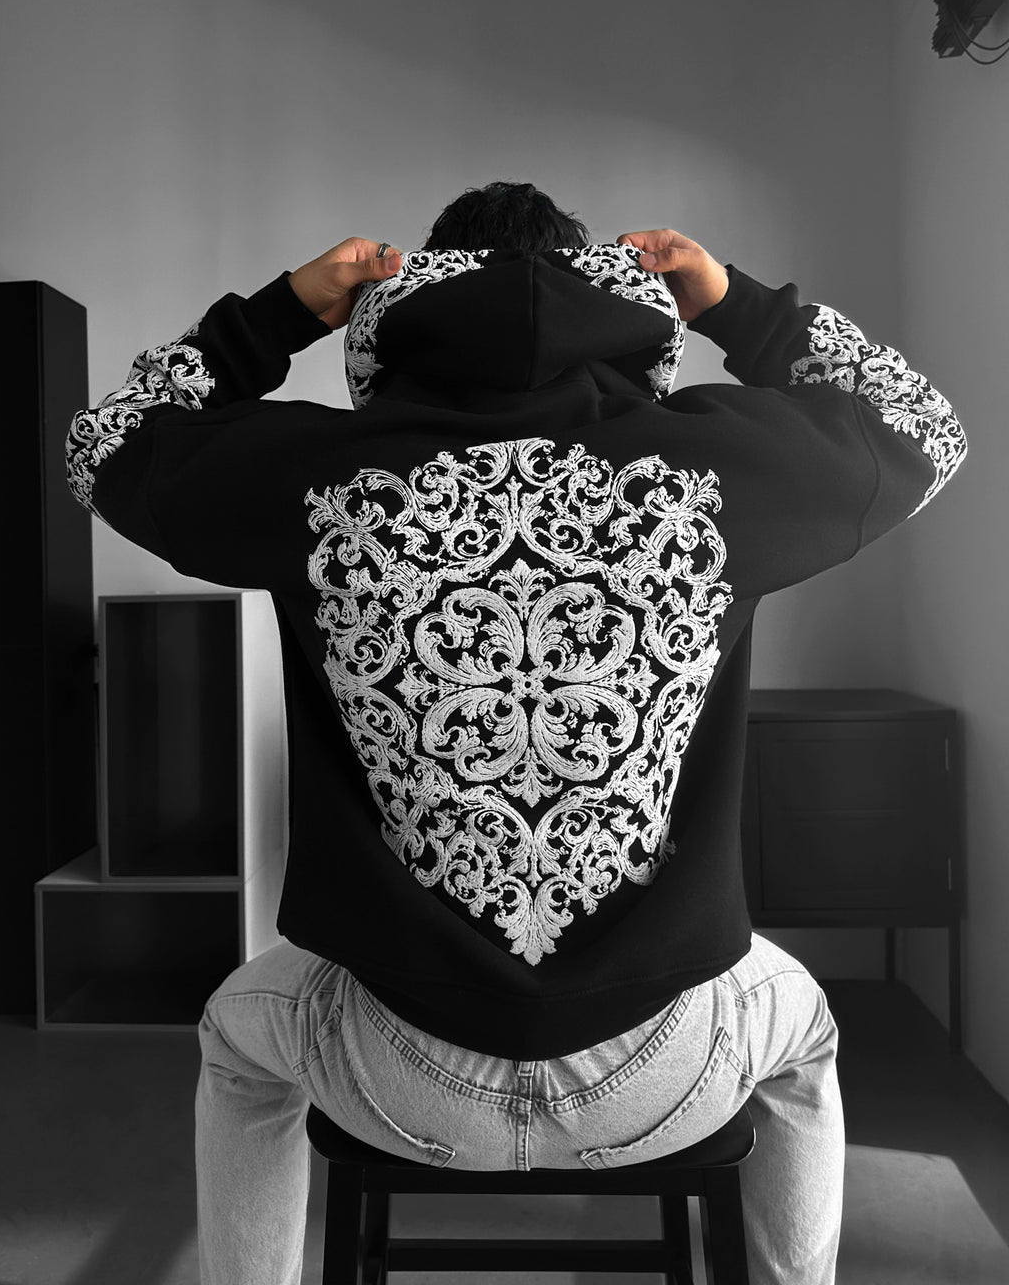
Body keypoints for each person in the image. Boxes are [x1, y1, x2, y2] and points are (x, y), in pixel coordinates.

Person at [66, 181, 966, 1284]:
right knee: (807, 1032)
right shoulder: (723, 467)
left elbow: (104, 444)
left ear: (397, 313)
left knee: (238, 1040)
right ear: (621, 301)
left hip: (394, 1074)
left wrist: (281, 312)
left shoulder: (313, 473)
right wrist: (732, 303)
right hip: (669, 1073)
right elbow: (924, 427)